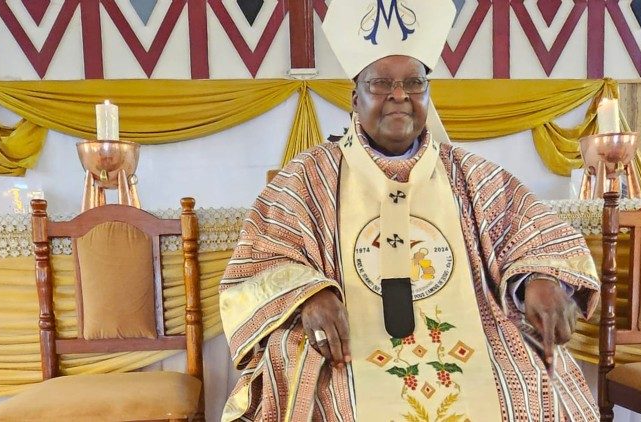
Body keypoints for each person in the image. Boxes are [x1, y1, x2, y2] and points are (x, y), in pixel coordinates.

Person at [219, 1, 599, 420]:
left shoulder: (469, 174)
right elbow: (258, 260)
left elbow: (531, 229)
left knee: (532, 384)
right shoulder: (308, 177)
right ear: (354, 96)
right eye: (381, 83)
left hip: (474, 338)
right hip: (350, 345)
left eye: (413, 83)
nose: (399, 95)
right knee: (327, 394)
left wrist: (542, 279)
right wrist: (308, 294)